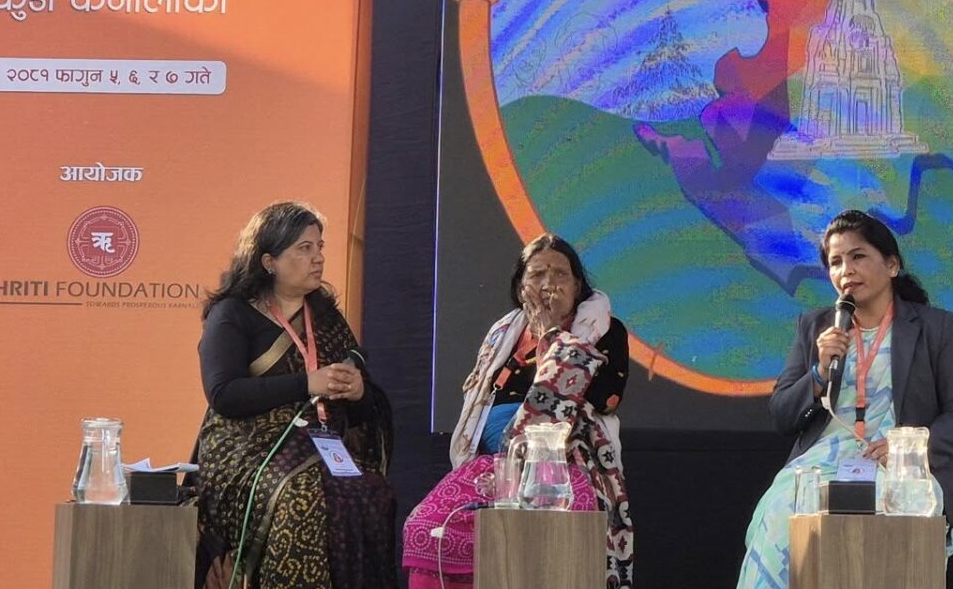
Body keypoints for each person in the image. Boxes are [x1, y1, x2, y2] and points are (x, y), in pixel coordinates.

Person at [737, 209, 953, 587]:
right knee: (780, 508)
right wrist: (818, 372)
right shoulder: (815, 327)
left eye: (858, 256)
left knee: (895, 513)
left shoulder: (934, 327)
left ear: (892, 265)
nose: (846, 270)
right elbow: (783, 415)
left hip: (902, 468)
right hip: (823, 464)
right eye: (835, 262)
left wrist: (909, 449)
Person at [402, 234, 634, 588]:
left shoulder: (604, 330)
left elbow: (606, 399)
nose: (548, 284)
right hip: (494, 461)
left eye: (559, 274)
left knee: (566, 536)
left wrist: (552, 337)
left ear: (578, 285)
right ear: (520, 285)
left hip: (568, 457)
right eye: (537, 274)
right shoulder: (502, 333)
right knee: (427, 526)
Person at [192, 201, 396, 589]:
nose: (318, 257)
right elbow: (224, 394)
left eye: (319, 247)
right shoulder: (233, 314)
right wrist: (308, 383)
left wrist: (357, 392)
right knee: (301, 495)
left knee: (371, 493)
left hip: (319, 447)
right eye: (305, 248)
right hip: (245, 449)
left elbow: (365, 411)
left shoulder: (327, 319)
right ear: (269, 260)